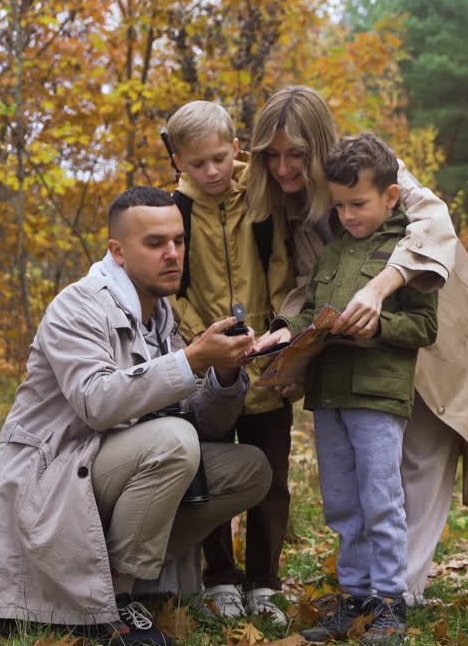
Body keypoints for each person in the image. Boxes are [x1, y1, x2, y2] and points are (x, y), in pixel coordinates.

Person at [248, 85, 468, 607]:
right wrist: (290, 332)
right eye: (272, 155)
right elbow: (309, 282)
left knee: (424, 444)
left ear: (318, 145)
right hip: (354, 339)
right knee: (369, 471)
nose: (284, 167)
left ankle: (400, 589)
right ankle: (378, 586)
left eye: (295, 154)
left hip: (426, 298)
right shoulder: (287, 204)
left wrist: (379, 288)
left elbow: (433, 221)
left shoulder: (376, 167)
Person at [0, 186, 272, 646]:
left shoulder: (159, 315)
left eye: (178, 240)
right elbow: (97, 404)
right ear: (117, 251)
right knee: (173, 442)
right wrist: (191, 360)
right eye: (155, 244)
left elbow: (203, 423)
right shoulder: (78, 306)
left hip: (109, 470)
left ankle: (127, 582)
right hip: (55, 476)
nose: (172, 254)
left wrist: (225, 375)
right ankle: (110, 603)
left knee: (250, 468)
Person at [274, 133, 438, 644]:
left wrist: (379, 327)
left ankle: (390, 603)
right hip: (329, 397)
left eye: (358, 204)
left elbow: (424, 328)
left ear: (390, 197)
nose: (347, 215)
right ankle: (354, 596)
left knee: (380, 498)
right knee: (342, 501)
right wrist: (285, 332)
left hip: (377, 397)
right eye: (340, 205)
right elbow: (308, 311)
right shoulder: (332, 254)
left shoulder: (407, 253)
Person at [164, 101, 296, 624]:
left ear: (236, 148)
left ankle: (264, 581)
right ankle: (220, 576)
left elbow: (286, 269)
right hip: (209, 370)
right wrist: (205, 344)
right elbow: (175, 287)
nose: (212, 171)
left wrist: (280, 332)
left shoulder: (262, 201)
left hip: (267, 365)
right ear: (178, 161)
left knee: (272, 479)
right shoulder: (176, 210)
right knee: (208, 474)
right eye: (198, 164)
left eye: (220, 158)